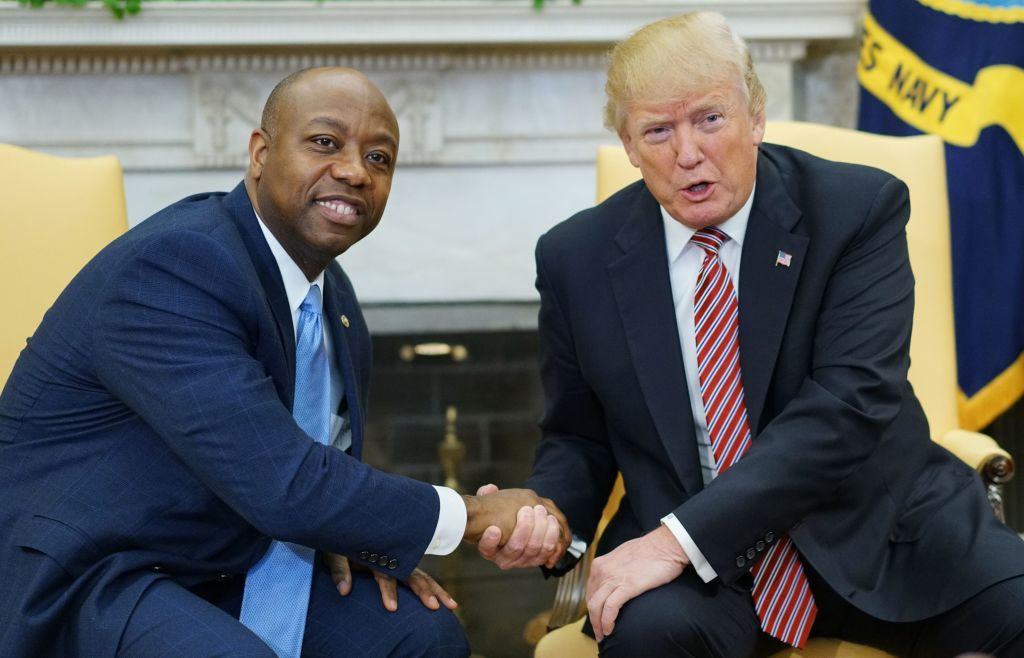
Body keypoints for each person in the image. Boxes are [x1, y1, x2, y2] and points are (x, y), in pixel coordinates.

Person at [479, 11, 1024, 658]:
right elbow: (578, 436)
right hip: (707, 568)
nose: (687, 154)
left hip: (879, 528)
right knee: (642, 635)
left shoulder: (857, 210)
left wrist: (673, 541)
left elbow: (847, 410)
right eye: (657, 131)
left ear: (755, 115)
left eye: (710, 119)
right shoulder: (577, 257)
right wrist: (549, 517)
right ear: (628, 145)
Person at [0, 67, 568, 657]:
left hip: (222, 559)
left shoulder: (332, 299)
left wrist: (357, 539)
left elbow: (307, 475)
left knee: (419, 636)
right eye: (325, 143)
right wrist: (474, 514)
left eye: (379, 157)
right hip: (91, 570)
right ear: (261, 153)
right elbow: (287, 483)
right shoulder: (177, 264)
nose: (354, 171)